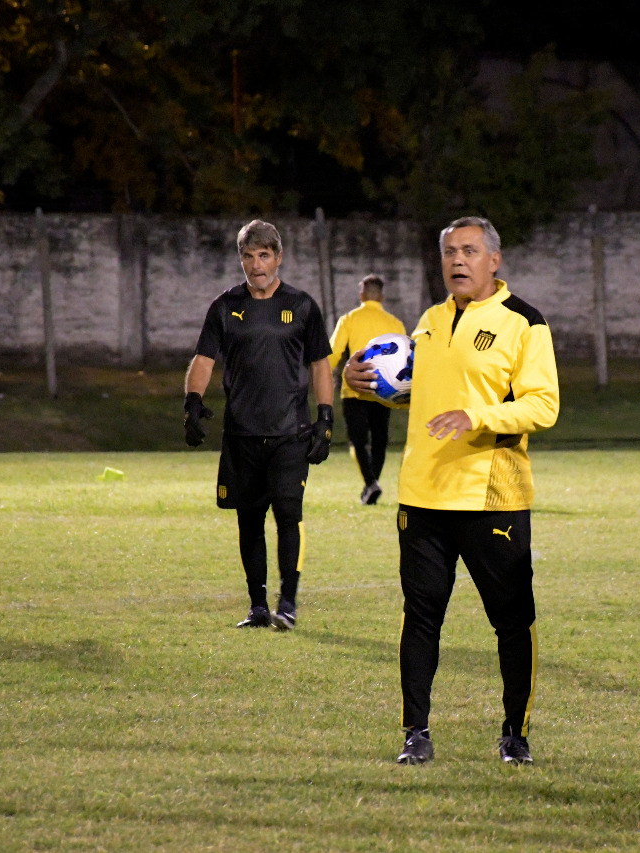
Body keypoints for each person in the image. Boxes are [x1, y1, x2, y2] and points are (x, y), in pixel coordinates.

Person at [344, 216, 559, 766]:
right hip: (422, 494)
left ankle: (516, 732)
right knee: (421, 617)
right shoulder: (430, 321)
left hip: (492, 498)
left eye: (468, 250)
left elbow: (543, 405)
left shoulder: (524, 323)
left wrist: (476, 417)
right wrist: (367, 385)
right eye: (448, 252)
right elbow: (420, 396)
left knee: (512, 619)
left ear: (494, 260)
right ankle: (415, 732)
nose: (456, 261)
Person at [183, 219, 334, 631]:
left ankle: (288, 603)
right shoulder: (225, 306)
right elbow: (204, 359)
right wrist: (192, 401)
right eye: (248, 256)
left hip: (290, 433)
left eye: (264, 255)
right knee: (249, 521)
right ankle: (258, 606)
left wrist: (325, 417)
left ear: (278, 257)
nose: (256, 264)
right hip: (242, 434)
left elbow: (321, 364)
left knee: (288, 514)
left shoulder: (302, 306)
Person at [327, 274, 407, 505]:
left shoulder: (350, 319)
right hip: (385, 392)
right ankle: (371, 485)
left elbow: (333, 353)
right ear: (382, 296)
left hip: (355, 390)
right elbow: (406, 359)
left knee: (358, 440)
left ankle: (371, 484)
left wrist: (322, 375)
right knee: (380, 439)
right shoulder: (395, 323)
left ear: (361, 295)